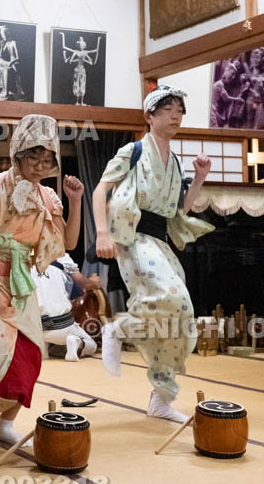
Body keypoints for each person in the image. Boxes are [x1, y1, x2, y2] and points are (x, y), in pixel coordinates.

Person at [0, 115, 83, 446]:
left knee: (29, 356)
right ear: (16, 154)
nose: (39, 166)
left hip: (20, 288)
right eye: (33, 157)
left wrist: (75, 201)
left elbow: (69, 243)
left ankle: (6, 423)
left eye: (47, 160)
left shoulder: (48, 198)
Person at [92, 85, 214, 422]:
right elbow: (100, 189)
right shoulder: (131, 151)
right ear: (150, 116)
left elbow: (179, 212)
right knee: (171, 296)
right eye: (168, 109)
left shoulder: (174, 161)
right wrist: (102, 233)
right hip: (132, 237)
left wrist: (200, 179)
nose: (176, 115)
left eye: (179, 110)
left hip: (160, 240)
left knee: (180, 314)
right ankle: (118, 329)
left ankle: (161, 397)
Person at [33, 254, 99, 361]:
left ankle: (43, 349)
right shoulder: (62, 256)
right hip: (62, 326)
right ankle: (77, 343)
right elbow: (83, 284)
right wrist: (94, 282)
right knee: (92, 345)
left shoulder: (24, 253)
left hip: (34, 329)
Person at [60, 34, 101, 107]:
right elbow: (64, 47)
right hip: (77, 70)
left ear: (84, 45)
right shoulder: (76, 51)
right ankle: (77, 102)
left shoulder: (84, 52)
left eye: (82, 45)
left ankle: (81, 102)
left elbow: (96, 50)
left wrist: (99, 39)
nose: (81, 46)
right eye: (80, 44)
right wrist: (63, 36)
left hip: (82, 70)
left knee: (82, 84)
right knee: (76, 84)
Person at [0, 25, 22, 101]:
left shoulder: (14, 42)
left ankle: (6, 91)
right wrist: (1, 46)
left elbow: (18, 58)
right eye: (3, 36)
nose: (4, 38)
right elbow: (1, 56)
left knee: (6, 69)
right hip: (9, 63)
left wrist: (11, 62)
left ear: (8, 34)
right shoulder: (6, 43)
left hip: (15, 63)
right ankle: (5, 91)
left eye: (4, 36)